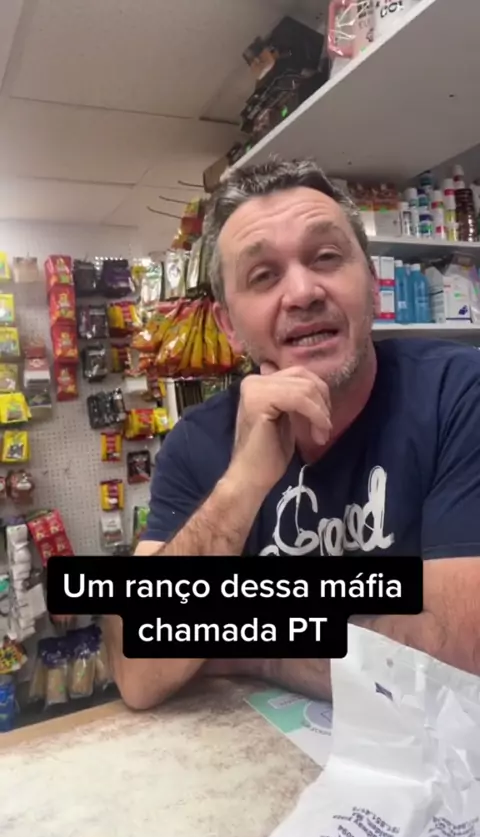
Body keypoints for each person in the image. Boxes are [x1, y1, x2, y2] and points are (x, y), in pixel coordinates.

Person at [104, 156, 480, 711]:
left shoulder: (460, 394)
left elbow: (459, 658)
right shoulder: (196, 443)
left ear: (373, 286)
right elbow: (138, 668)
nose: (303, 292)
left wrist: (252, 647)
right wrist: (241, 484)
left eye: (326, 257)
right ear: (230, 326)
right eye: (263, 276)